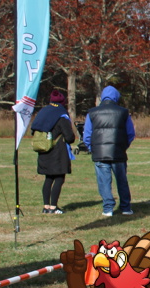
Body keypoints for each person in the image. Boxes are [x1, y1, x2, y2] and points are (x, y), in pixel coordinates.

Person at [83, 86, 136, 217]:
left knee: (104, 182)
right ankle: (125, 207)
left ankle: (108, 208)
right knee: (122, 181)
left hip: (100, 153)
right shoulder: (123, 112)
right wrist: (123, 146)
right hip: (118, 152)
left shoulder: (92, 113)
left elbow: (87, 135)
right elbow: (130, 133)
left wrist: (92, 149)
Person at [31, 89, 76, 214]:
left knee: (48, 178)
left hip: (44, 150)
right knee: (59, 178)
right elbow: (69, 137)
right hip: (58, 153)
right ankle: (53, 207)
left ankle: (46, 207)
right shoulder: (62, 116)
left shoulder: (43, 113)